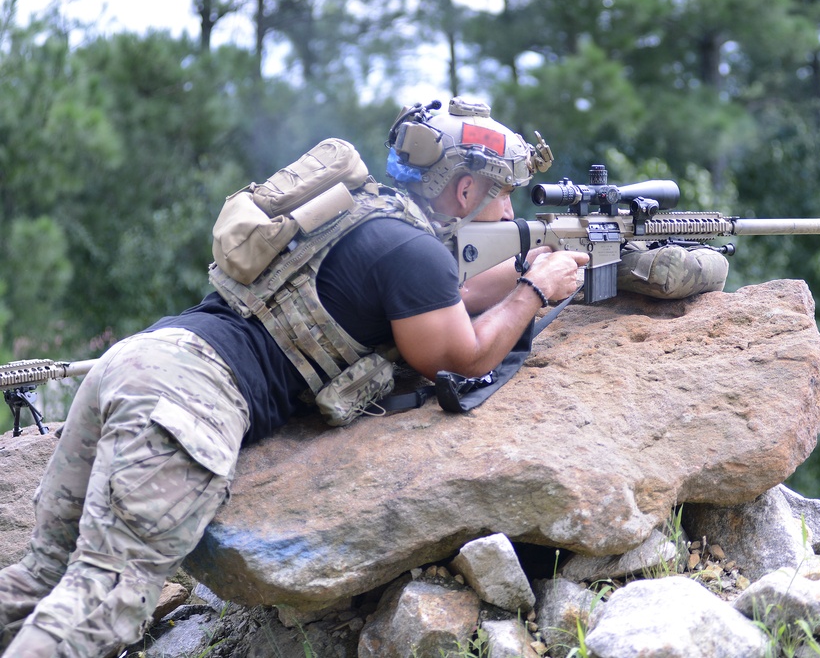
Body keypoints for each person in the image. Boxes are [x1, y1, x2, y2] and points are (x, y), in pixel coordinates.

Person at [0, 97, 589, 658]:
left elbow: (443, 302)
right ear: (466, 189)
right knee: (104, 599)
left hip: (141, 361)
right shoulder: (416, 253)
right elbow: (464, 356)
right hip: (191, 398)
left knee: (42, 576)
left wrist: (520, 270)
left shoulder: (367, 219)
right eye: (504, 194)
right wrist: (537, 290)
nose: (511, 211)